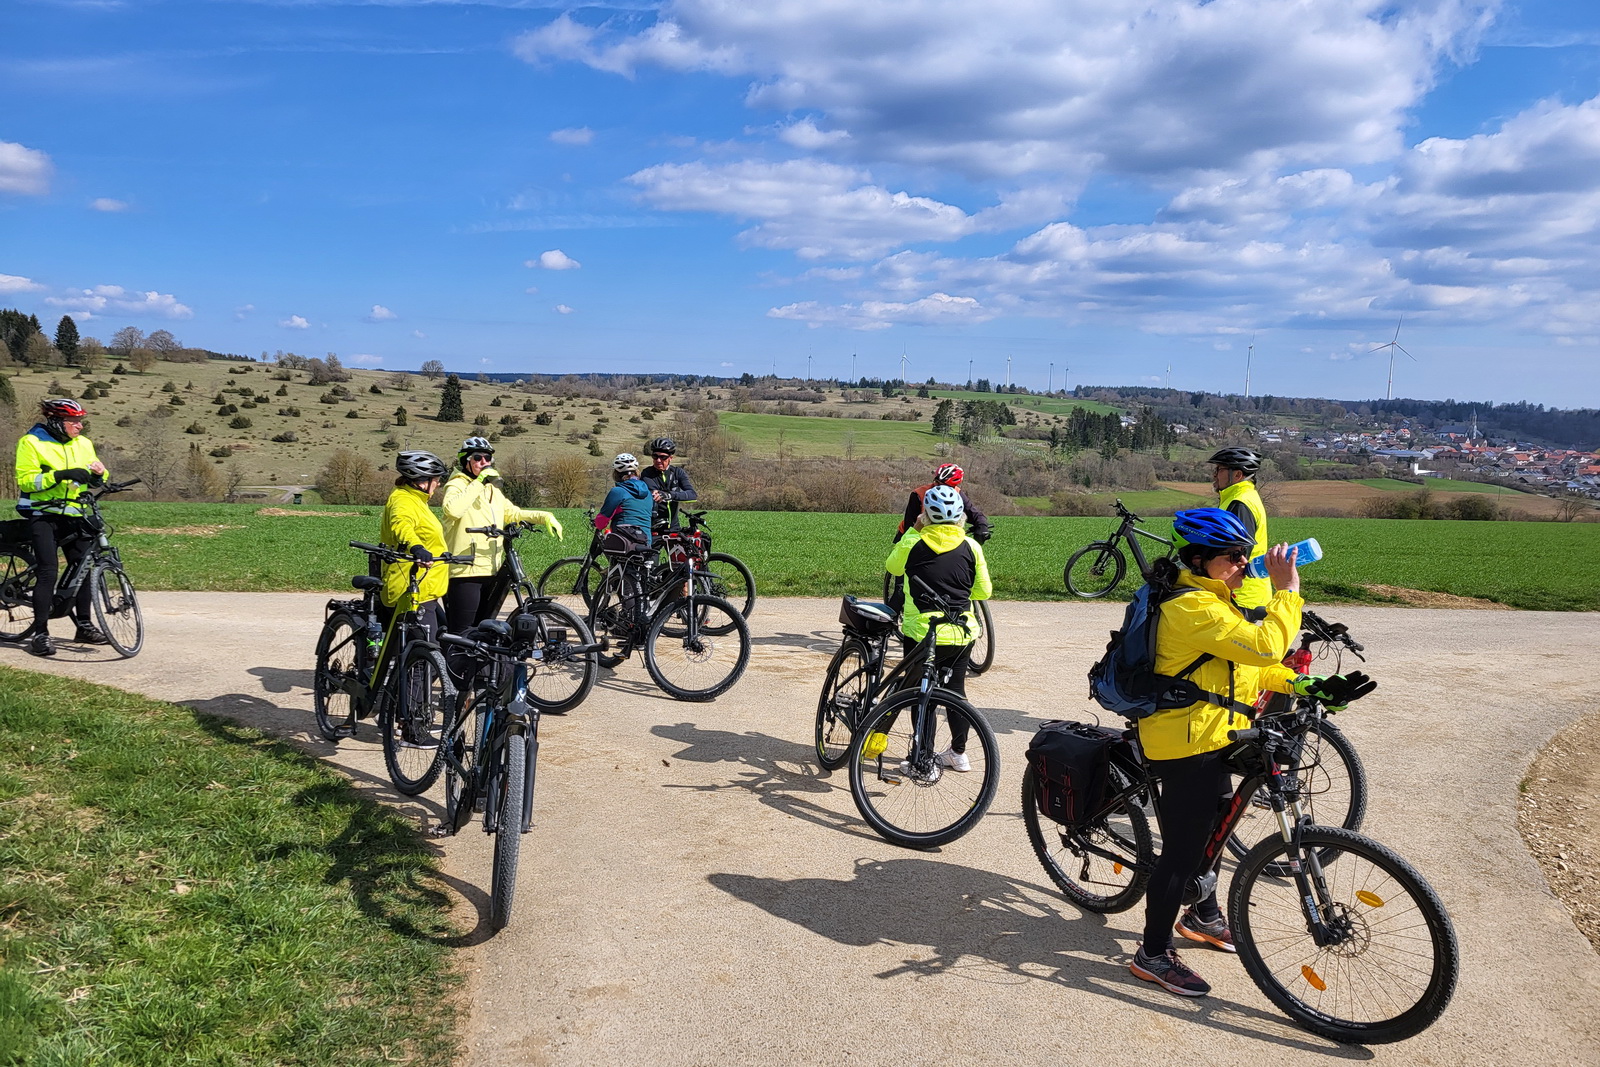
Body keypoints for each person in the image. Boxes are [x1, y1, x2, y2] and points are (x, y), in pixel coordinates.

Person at [1128, 507, 1307, 998]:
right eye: (1234, 557)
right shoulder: (1192, 608)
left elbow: (1247, 670)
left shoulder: (1215, 597)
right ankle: (1152, 953)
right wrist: (1287, 590)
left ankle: (1203, 914)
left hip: (1216, 733)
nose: (1243, 565)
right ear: (1202, 558)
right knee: (1183, 851)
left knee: (1218, 826)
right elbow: (1267, 645)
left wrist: (1304, 682)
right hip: (1182, 742)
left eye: (1245, 556)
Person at [884, 485, 992, 772]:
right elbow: (983, 591)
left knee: (923, 695)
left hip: (921, 633)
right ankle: (958, 754)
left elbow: (892, 567)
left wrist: (912, 531)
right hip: (961, 632)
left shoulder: (914, 542)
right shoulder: (972, 547)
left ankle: (922, 758)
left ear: (925, 517)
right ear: (961, 518)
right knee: (956, 692)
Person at [11, 398, 110, 657]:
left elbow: (96, 473)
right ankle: (40, 634)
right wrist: (60, 475)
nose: (79, 426)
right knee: (48, 572)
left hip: (75, 513)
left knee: (83, 569)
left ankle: (84, 626)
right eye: (74, 421)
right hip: (43, 514)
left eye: (80, 421)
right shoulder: (31, 442)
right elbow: (26, 480)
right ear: (56, 421)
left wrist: (100, 475)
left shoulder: (83, 443)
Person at [440, 437, 564, 640]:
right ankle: (451, 668)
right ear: (466, 461)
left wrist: (543, 516)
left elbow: (511, 513)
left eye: (487, 458)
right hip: (464, 569)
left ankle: (477, 670)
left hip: (491, 566)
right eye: (477, 458)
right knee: (461, 633)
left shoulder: (491, 489)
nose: (483, 462)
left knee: (482, 631)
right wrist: (479, 482)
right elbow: (452, 510)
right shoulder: (456, 484)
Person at [378, 450, 450, 646]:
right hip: (410, 589)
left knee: (442, 646)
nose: (439, 484)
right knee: (425, 657)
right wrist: (416, 547)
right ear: (422, 481)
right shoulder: (403, 500)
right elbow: (401, 525)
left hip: (426, 588)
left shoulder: (417, 500)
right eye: (436, 479)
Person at [593, 453, 654, 635]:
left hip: (625, 542)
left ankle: (628, 626)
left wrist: (597, 522)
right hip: (646, 541)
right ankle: (641, 620)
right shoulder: (647, 492)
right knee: (639, 583)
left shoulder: (617, 491)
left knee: (626, 583)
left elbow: (602, 521)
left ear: (616, 474)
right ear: (636, 471)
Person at [1207, 447, 1269, 613]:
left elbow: (1237, 554)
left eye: (1219, 469)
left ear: (1237, 475)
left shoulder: (1240, 504)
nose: (1214, 474)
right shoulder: (1238, 498)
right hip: (1242, 592)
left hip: (1241, 595)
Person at [893, 463, 990, 544]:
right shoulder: (918, 494)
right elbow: (909, 524)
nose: (938, 487)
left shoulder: (957, 493)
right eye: (937, 482)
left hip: (941, 536)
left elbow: (974, 513)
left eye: (945, 486)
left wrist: (982, 527)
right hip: (914, 533)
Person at [637, 436, 697, 530]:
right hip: (652, 527)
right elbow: (654, 493)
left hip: (674, 526)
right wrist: (661, 494)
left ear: (670, 458)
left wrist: (670, 495)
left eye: (663, 457)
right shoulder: (647, 473)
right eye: (655, 456)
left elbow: (692, 495)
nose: (658, 460)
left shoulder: (677, 472)